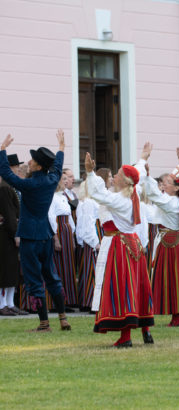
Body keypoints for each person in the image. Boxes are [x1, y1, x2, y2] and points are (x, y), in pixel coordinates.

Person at [0, 131, 70, 332]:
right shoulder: (51, 179)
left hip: (31, 236)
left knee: (34, 281)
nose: (29, 162)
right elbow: (57, 166)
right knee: (52, 277)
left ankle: (44, 323)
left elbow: (6, 173)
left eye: (32, 160)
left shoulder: (29, 184)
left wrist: (2, 150)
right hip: (46, 235)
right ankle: (63, 318)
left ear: (39, 166)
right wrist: (61, 149)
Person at [85, 152, 154, 347]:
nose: (114, 176)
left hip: (120, 245)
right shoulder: (133, 195)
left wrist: (90, 173)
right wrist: (143, 159)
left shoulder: (121, 200)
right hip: (133, 243)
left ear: (124, 181)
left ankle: (125, 338)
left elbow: (99, 194)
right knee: (136, 286)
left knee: (123, 288)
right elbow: (137, 173)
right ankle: (145, 330)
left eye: (116, 174)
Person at [135, 143, 179, 328]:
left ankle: (176, 318)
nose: (164, 185)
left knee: (173, 279)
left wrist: (145, 174)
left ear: (175, 188)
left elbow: (154, 193)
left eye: (167, 184)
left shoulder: (170, 202)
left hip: (170, 242)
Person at [48, 173, 78, 307]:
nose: (65, 182)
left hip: (66, 231)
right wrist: (56, 239)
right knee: (59, 265)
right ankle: (58, 302)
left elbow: (70, 218)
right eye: (63, 180)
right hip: (59, 231)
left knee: (68, 265)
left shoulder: (63, 197)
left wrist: (72, 236)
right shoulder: (52, 197)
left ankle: (68, 300)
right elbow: (51, 218)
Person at [0, 154, 23, 316]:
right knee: (5, 270)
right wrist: (16, 234)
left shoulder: (10, 186)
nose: (18, 170)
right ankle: (3, 304)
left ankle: (9, 302)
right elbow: (9, 215)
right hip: (5, 234)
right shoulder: (5, 187)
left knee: (12, 270)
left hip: (11, 230)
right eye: (16, 167)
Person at [75, 178, 102, 311]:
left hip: (96, 236)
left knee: (94, 270)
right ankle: (91, 301)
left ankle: (92, 301)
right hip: (93, 238)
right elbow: (88, 224)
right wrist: (95, 242)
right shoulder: (89, 202)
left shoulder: (92, 201)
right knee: (92, 271)